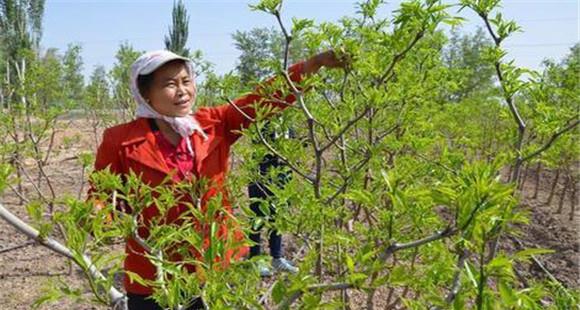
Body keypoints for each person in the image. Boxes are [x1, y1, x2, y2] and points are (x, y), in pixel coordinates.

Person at [91, 49, 345, 310]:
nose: (182, 91)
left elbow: (262, 99)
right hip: (153, 272)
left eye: (186, 81)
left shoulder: (214, 124)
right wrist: (100, 219)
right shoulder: (120, 141)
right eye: (170, 84)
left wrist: (312, 65)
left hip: (214, 264)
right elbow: (100, 194)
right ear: (145, 93)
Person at [248, 123, 297, 277]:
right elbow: (258, 147)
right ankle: (255, 258)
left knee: (277, 217)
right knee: (258, 218)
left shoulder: (289, 124)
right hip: (261, 176)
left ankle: (277, 258)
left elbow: (293, 149)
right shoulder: (262, 124)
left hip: (282, 178)